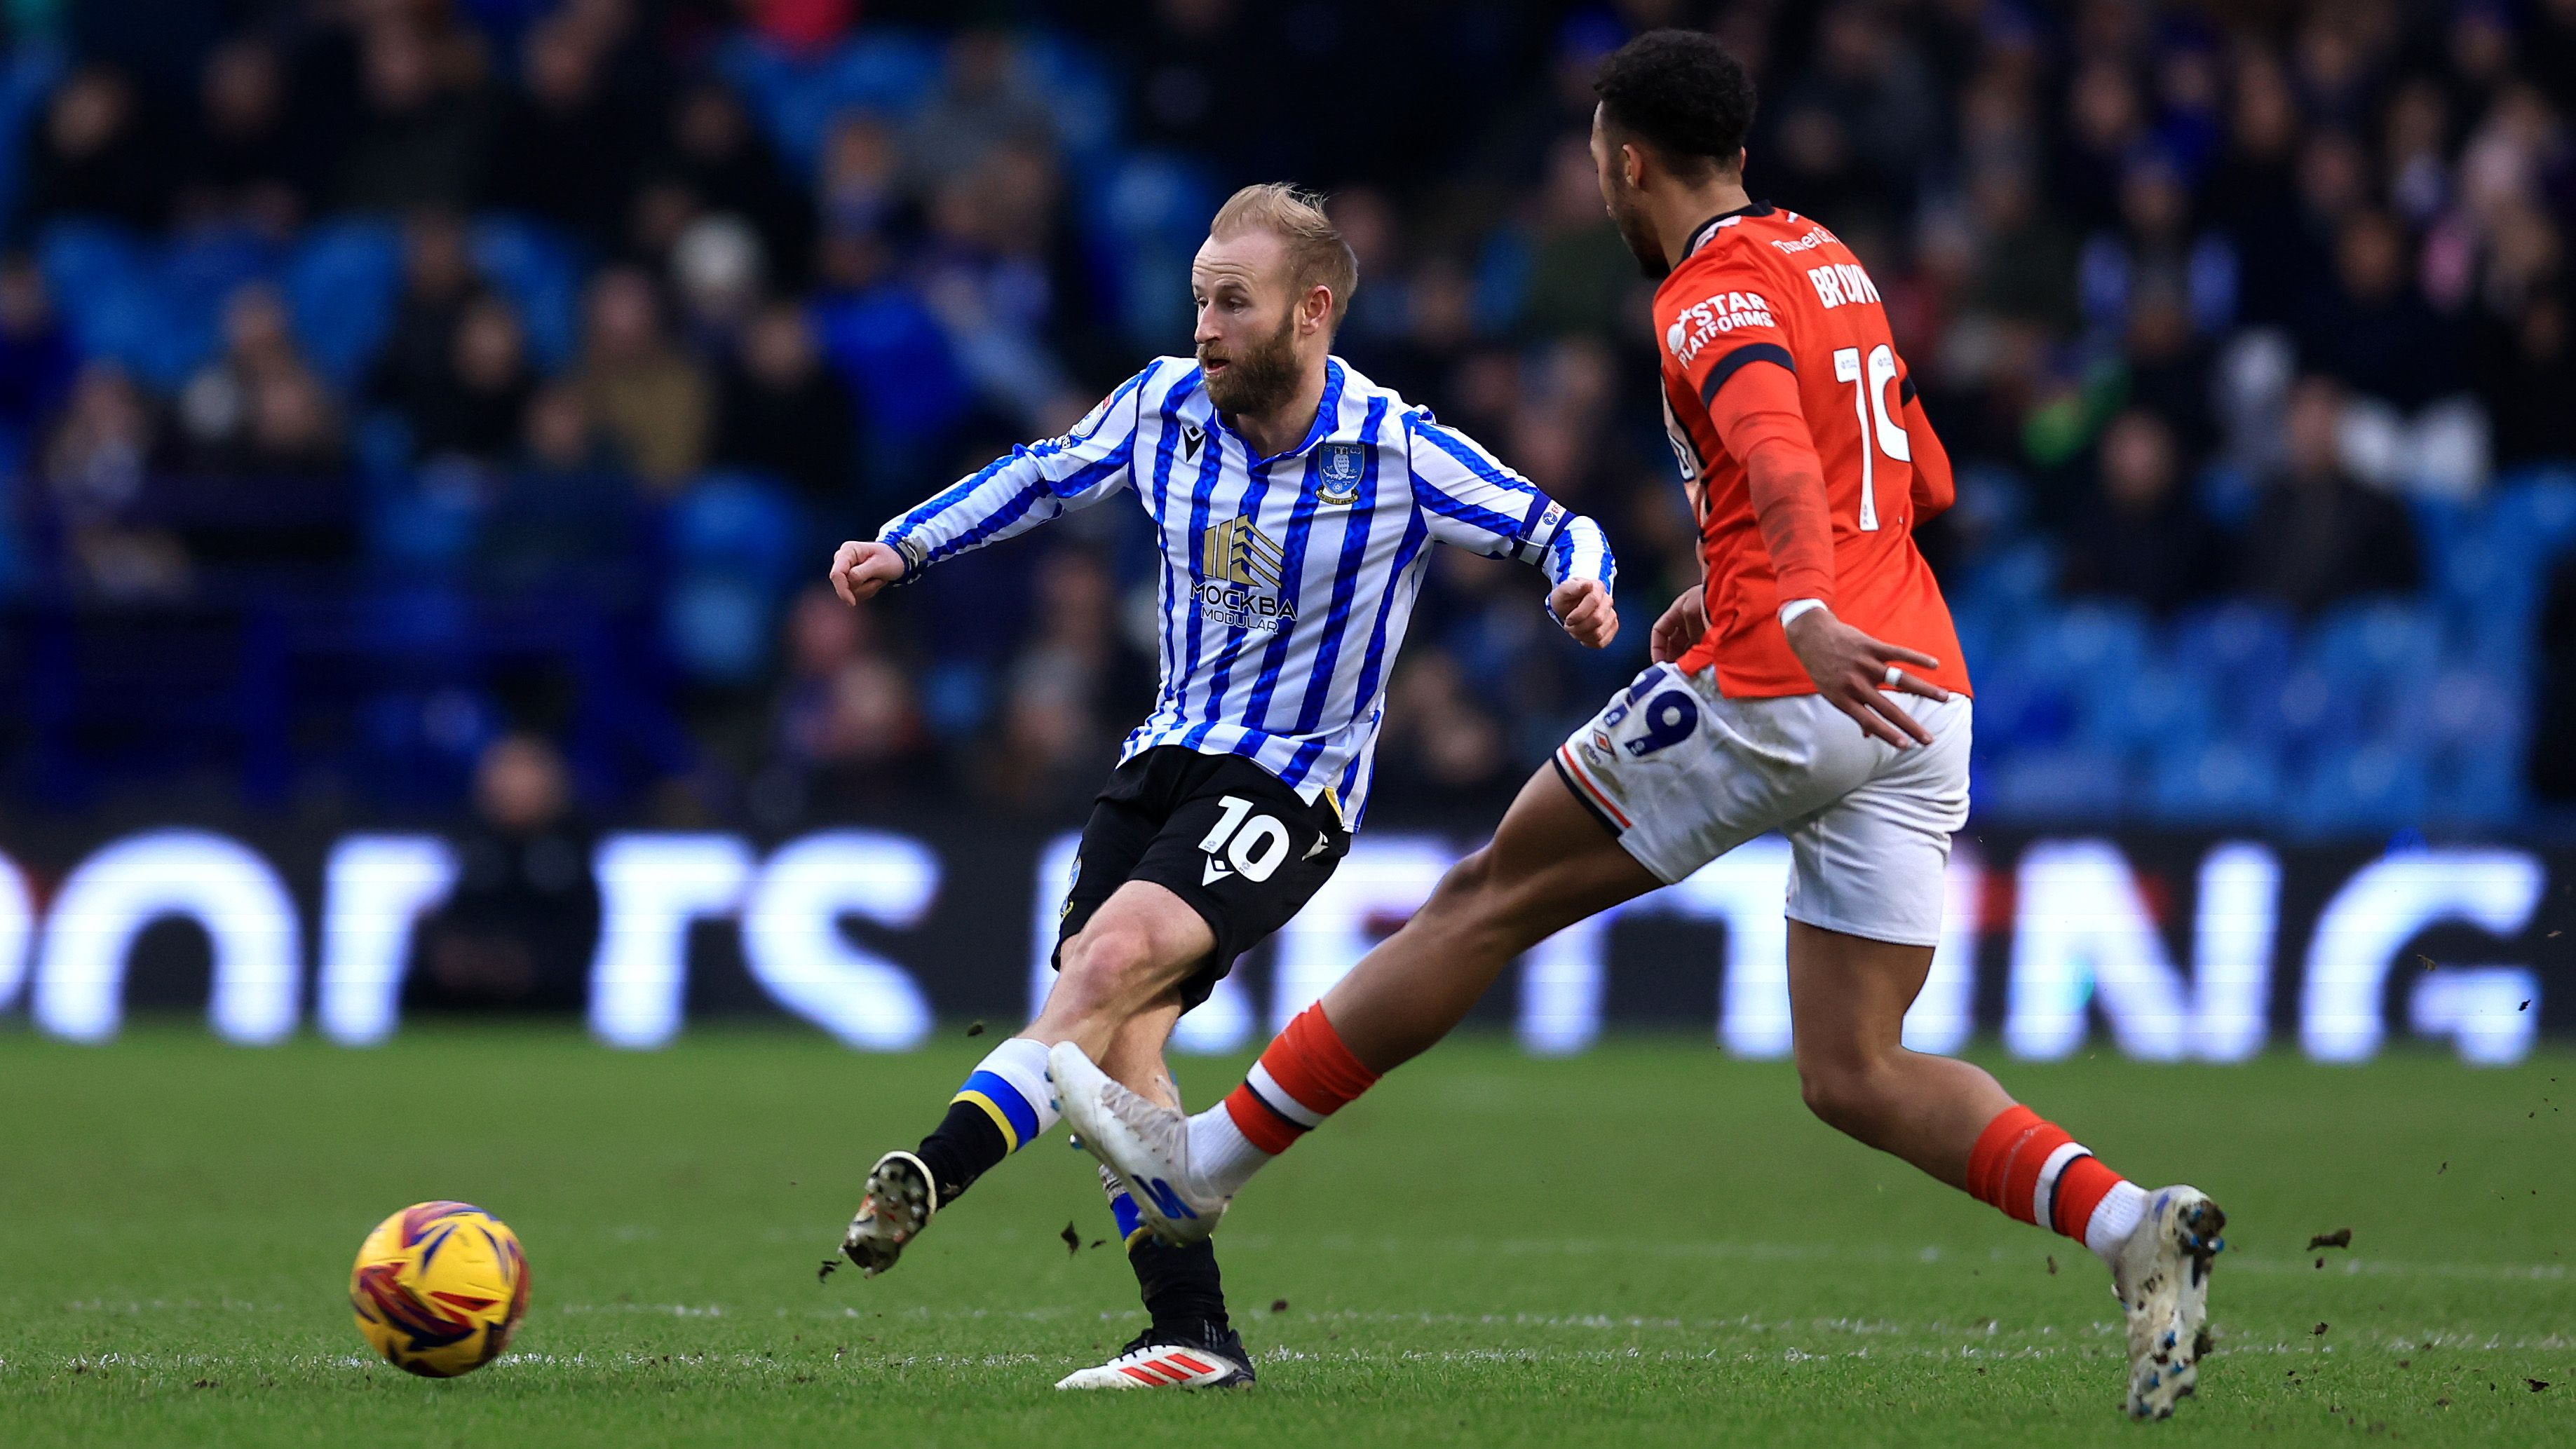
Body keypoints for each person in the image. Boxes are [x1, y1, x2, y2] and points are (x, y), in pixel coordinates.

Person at [1052, 32, 2225, 1423]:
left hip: (1793, 677)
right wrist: (1733, 585)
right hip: (1915, 688)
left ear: (1626, 162)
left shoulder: (1706, 299)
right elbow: (1914, 468)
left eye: (1593, 162)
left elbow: (1785, 456)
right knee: (1855, 1067)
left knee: (1480, 900)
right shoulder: (1827, 256)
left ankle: (1202, 1165)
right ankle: (2127, 1221)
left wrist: (1781, 608)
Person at [825, 183, 1619, 1390]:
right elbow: (1045, 474)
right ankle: (1192, 1336)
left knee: (1096, 973)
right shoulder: (1161, 405)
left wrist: (1581, 583)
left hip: (1291, 786)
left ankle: (930, 1169)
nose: (1202, 327)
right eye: (1198, 299)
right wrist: (908, 541)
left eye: (1229, 305)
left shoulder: (1394, 449)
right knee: (1115, 1054)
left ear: (1310, 313)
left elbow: (1554, 524)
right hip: (1159, 761)